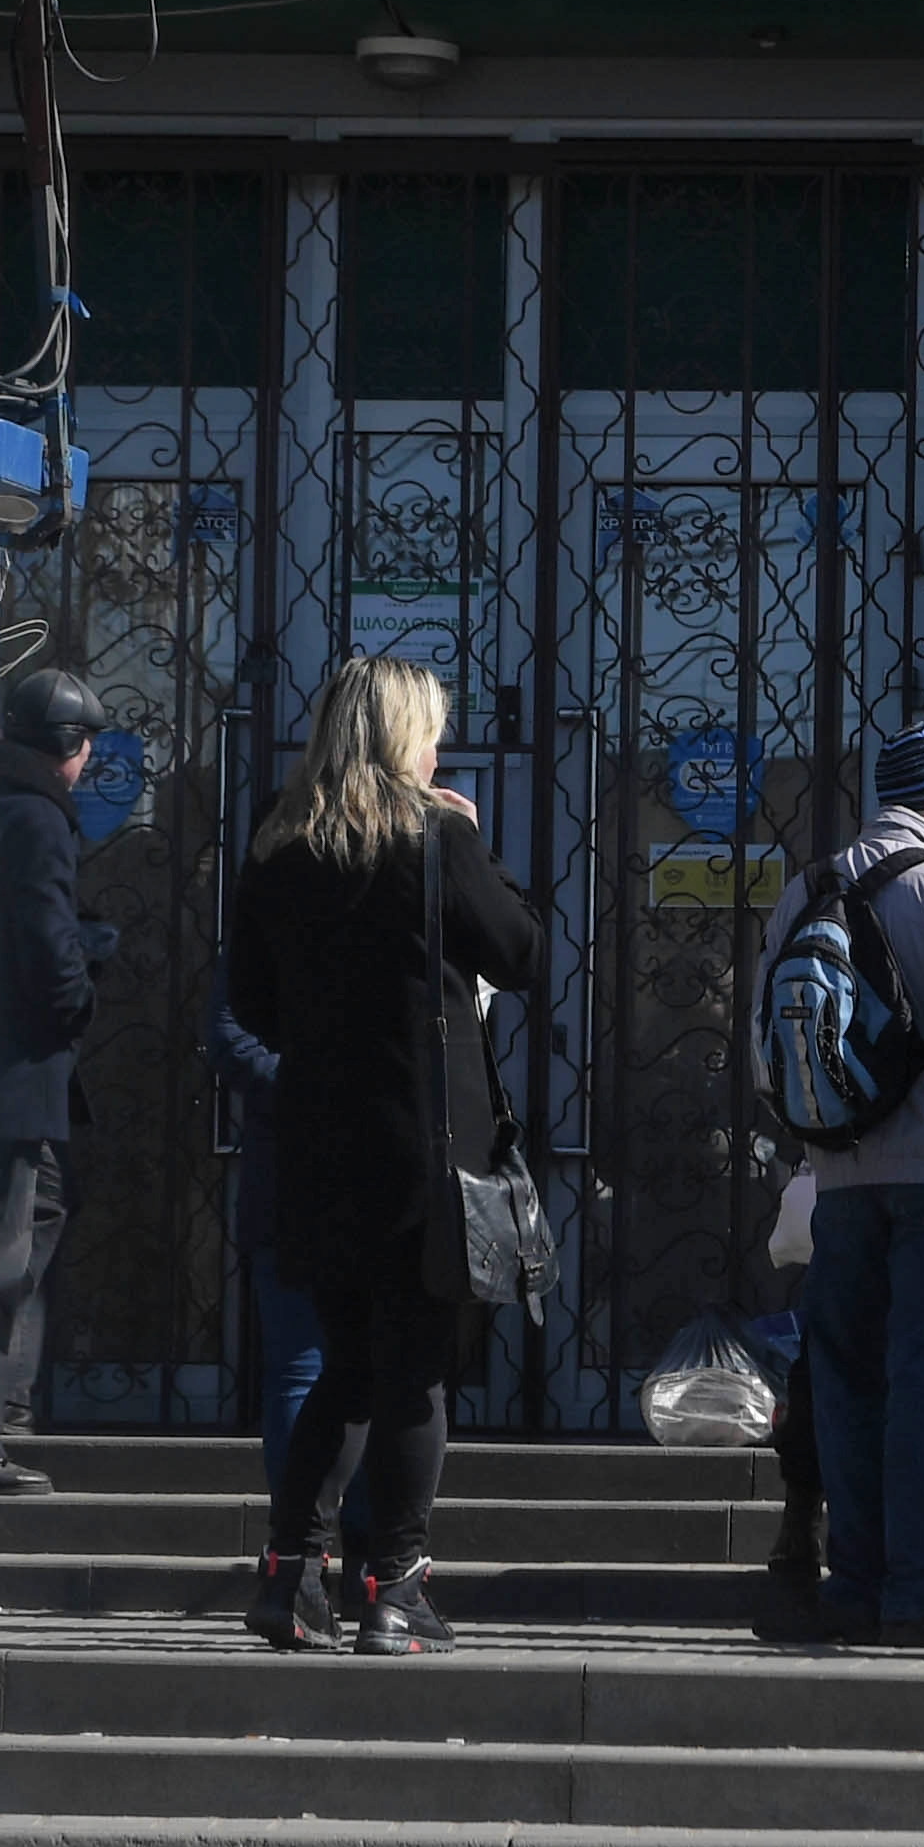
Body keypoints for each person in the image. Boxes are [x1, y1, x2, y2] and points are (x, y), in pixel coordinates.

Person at [225, 658, 544, 1654]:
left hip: (319, 1150)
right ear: (405, 736)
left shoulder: (278, 848)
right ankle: (396, 1587)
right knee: (414, 1373)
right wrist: (478, 849)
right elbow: (520, 955)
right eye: (431, 731)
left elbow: (255, 1005)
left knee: (346, 1371)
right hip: (427, 1152)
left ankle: (288, 1573)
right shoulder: (437, 837)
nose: (438, 750)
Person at [762, 717, 924, 1652]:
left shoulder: (806, 888)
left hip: (839, 1181)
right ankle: (914, 1595)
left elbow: (764, 1050)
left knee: (847, 1386)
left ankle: (850, 1585)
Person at [0, 668, 118, 1502]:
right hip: (19, 1076)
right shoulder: (37, 817)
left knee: (35, 1221)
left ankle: (4, 1412)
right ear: (70, 749)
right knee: (7, 1249)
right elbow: (45, 942)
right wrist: (83, 991)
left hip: (5, 1072)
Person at [200, 970, 322, 1491]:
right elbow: (228, 1037)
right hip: (289, 1189)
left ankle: (362, 1545)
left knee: (370, 1376)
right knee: (299, 1370)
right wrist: (310, 1084)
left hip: (372, 1190)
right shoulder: (268, 927)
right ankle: (299, 1540)